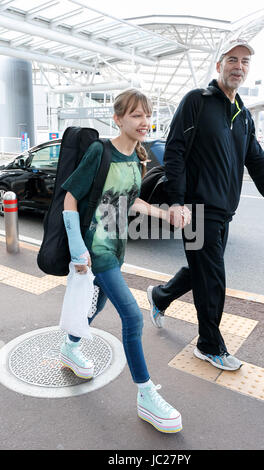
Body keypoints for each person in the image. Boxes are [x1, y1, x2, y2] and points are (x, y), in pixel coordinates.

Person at [147, 39, 264, 371]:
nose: (239, 66)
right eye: (232, 59)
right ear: (219, 65)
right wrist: (177, 202)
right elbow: (176, 151)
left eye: (245, 61)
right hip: (196, 209)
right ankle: (209, 345)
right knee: (212, 278)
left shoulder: (243, 114)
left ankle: (161, 296)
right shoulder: (197, 101)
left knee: (204, 271)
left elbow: (256, 159)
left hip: (224, 210)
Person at [58, 88, 191, 434]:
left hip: (117, 247)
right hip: (95, 247)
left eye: (147, 115)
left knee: (98, 303)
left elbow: (129, 203)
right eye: (135, 115)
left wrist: (166, 214)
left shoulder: (137, 158)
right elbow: (70, 198)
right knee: (132, 316)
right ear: (118, 119)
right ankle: (146, 394)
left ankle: (70, 348)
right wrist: (77, 247)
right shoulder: (99, 152)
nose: (144, 121)